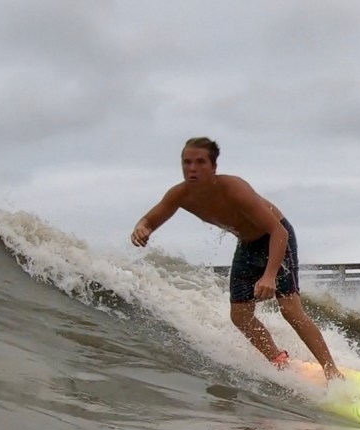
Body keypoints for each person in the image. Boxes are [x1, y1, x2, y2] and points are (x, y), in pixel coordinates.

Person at [130, 137, 342, 380]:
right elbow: (149, 220)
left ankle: (332, 371)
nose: (192, 168)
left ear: (213, 167)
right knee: (240, 316)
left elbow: (279, 232)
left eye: (200, 162)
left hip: (275, 237)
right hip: (247, 245)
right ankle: (278, 360)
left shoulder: (234, 189)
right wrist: (141, 227)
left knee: (290, 310)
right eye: (187, 162)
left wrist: (269, 275)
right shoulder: (180, 195)